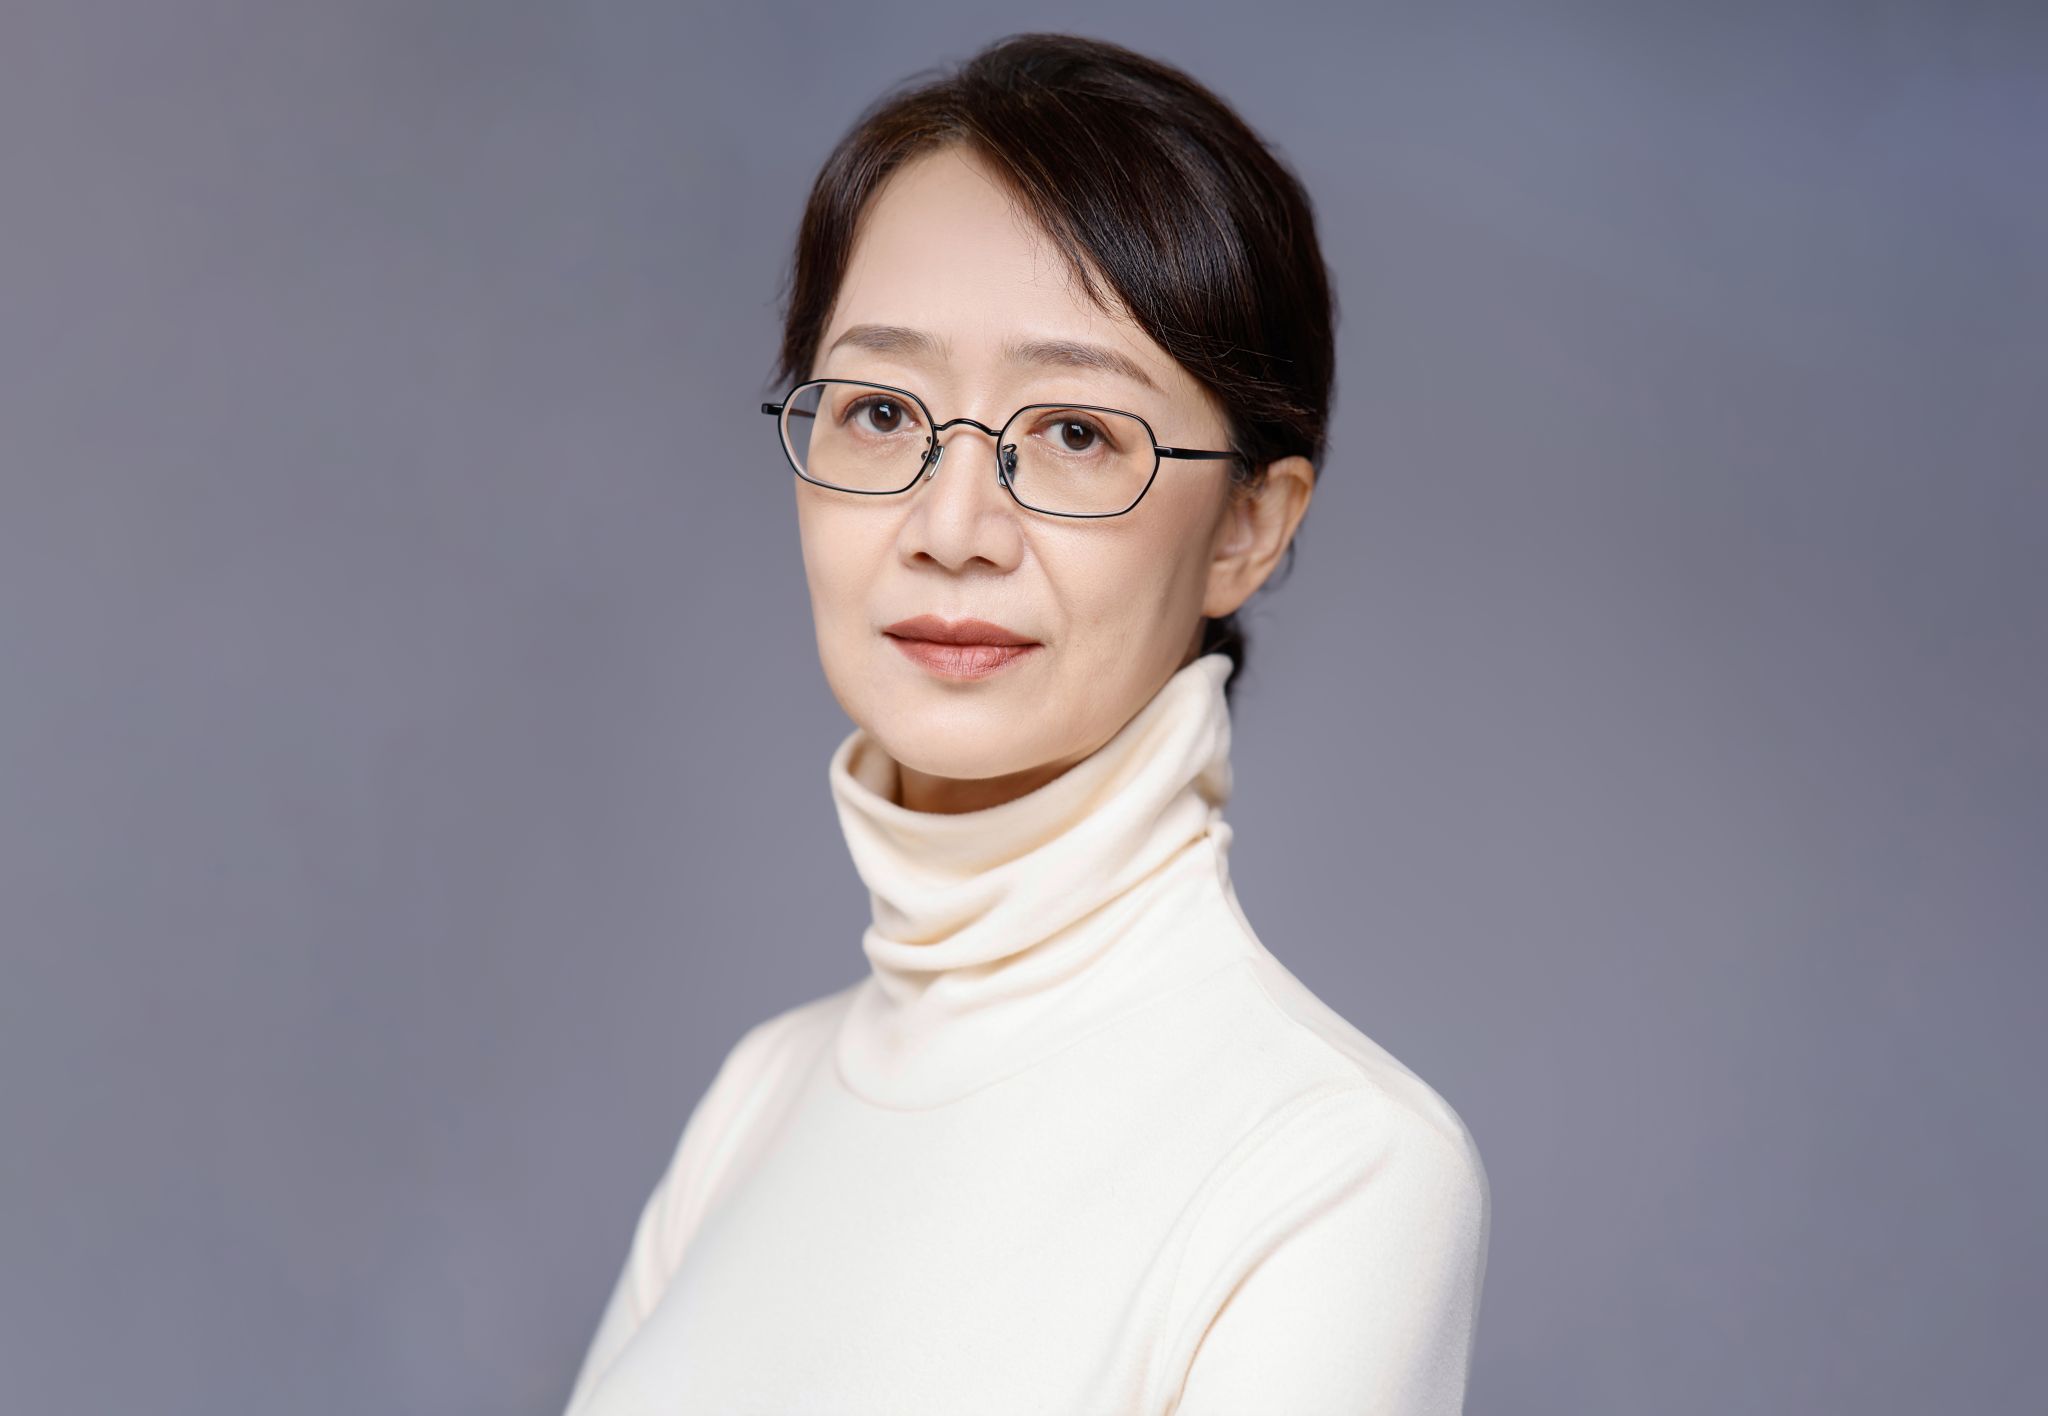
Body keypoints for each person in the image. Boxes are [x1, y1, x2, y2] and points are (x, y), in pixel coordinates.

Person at [564, 31, 1489, 1415]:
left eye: (1076, 435)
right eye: (883, 410)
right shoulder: (762, 1097)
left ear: (1248, 526)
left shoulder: (1336, 1169)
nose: (952, 526)